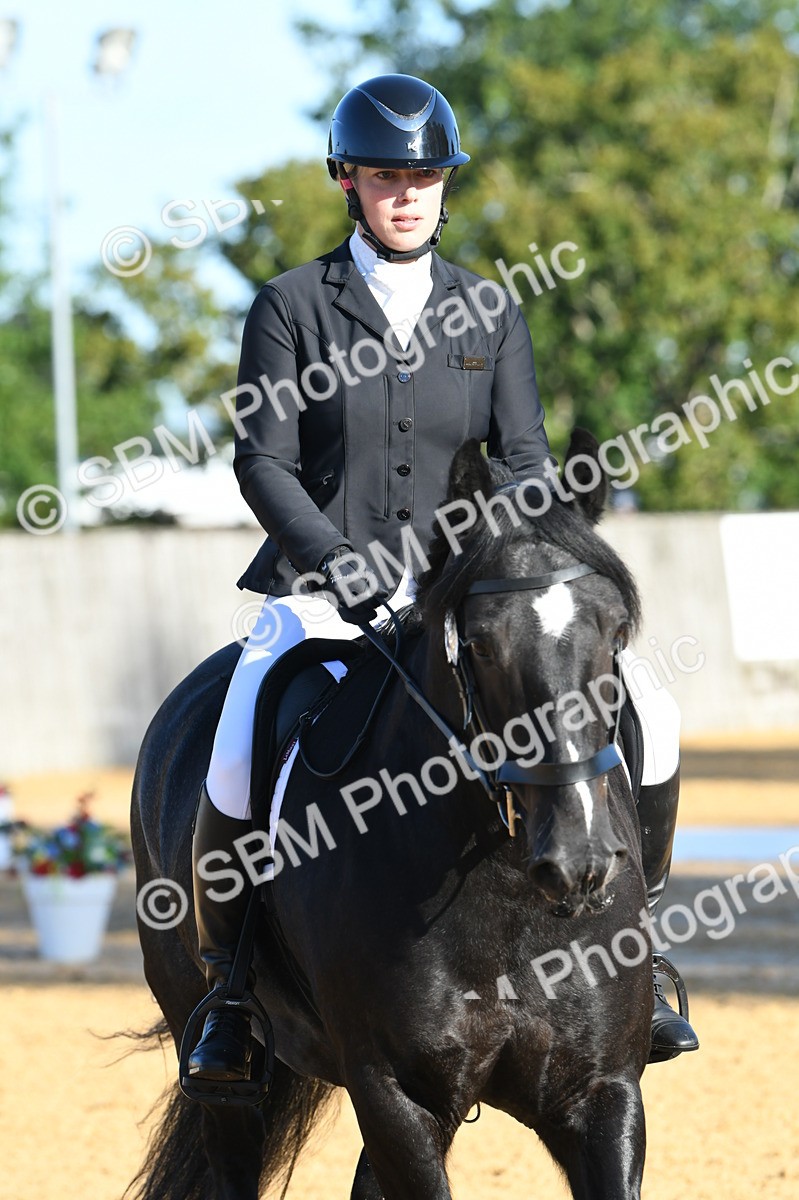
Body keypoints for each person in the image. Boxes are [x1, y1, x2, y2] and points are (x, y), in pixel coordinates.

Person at [187, 73, 698, 1084]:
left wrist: (511, 565)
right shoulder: (291, 306)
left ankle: (638, 953)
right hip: (328, 595)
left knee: (653, 708)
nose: (408, 193)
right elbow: (263, 464)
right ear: (349, 182)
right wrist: (339, 569)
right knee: (244, 729)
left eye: (425, 175)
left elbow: (521, 459)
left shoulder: (488, 309)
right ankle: (232, 990)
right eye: (387, 176)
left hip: (472, 593)